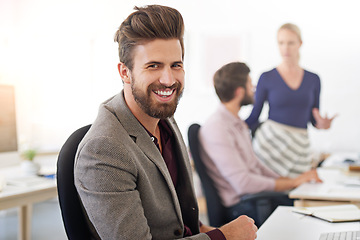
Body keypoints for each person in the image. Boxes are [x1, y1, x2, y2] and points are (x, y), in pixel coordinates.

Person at [74, 5, 257, 240]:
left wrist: (210, 231)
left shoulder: (163, 117)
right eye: (153, 66)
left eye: (176, 65)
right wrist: (223, 237)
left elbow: (178, 217)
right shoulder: (103, 150)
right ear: (125, 72)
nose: (169, 80)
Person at [199, 62, 322, 225]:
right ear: (239, 92)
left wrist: (288, 181)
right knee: (310, 214)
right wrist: (292, 183)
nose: (254, 88)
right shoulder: (217, 127)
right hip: (243, 208)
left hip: (255, 200)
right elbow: (243, 183)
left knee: (310, 203)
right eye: (250, 84)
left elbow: (256, 165)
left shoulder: (238, 124)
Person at [245, 23, 336, 178]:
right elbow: (255, 116)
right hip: (270, 144)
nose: (285, 48)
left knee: (296, 192)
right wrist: (229, 126)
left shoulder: (313, 79)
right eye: (281, 43)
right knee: (269, 191)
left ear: (300, 44)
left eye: (290, 43)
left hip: (300, 146)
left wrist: (322, 124)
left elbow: (313, 119)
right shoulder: (266, 77)